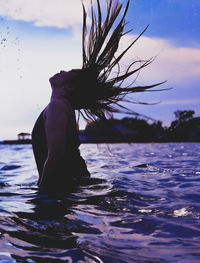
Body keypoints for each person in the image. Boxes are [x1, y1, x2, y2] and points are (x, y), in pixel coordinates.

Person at [32, 0, 164, 192]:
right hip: (76, 186)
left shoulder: (58, 106)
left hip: (68, 188)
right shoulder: (62, 107)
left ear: (69, 87)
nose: (62, 70)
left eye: (68, 71)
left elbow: (56, 156)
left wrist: (42, 195)